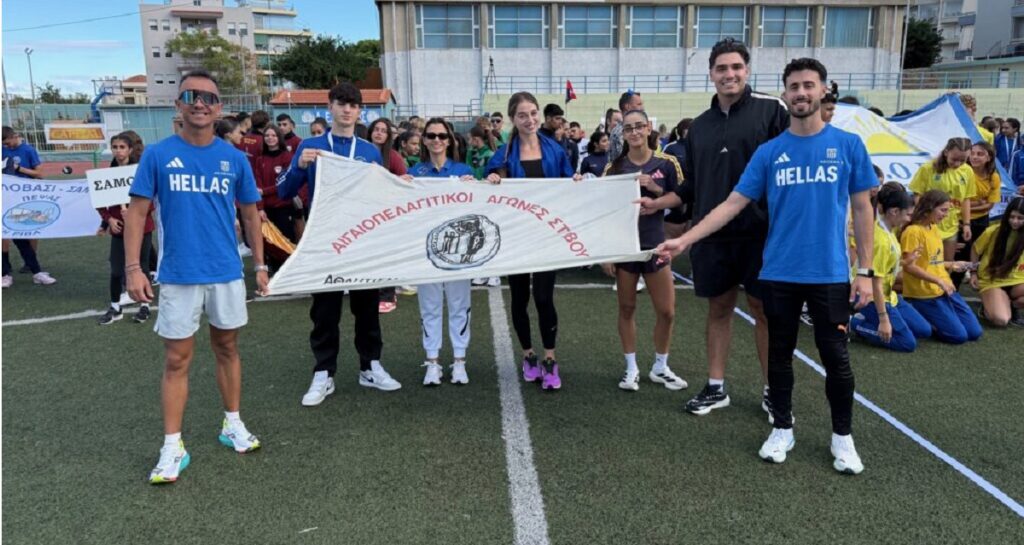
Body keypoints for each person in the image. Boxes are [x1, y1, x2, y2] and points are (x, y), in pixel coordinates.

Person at [654, 57, 877, 475]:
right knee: (779, 356)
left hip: (830, 273)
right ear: (785, 93)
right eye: (794, 86)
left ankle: (842, 438)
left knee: (836, 359)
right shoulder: (770, 152)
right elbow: (732, 204)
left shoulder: (848, 145)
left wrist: (866, 272)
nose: (801, 93)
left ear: (823, 90)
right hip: (778, 271)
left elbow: (864, 208)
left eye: (809, 85)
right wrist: (684, 239)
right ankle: (782, 428)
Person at [123, 69, 267, 484]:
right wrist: (133, 268)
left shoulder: (234, 159)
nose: (200, 103)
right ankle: (173, 445)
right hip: (179, 273)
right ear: (178, 104)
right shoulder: (157, 155)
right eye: (191, 96)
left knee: (228, 348)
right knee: (176, 359)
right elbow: (137, 213)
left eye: (208, 97)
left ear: (219, 108)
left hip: (225, 271)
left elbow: (251, 216)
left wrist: (259, 266)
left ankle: (232, 423)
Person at [636, 38, 788, 419]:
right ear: (711, 74)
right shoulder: (699, 127)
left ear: (747, 70)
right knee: (719, 309)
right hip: (713, 235)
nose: (729, 74)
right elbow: (692, 186)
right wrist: (659, 201)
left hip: (762, 234)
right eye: (721, 68)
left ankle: (774, 391)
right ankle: (716, 387)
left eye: (736, 67)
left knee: (763, 311)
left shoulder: (772, 111)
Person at [278, 82, 400, 405]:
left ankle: (370, 366)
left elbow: (382, 197)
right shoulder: (311, 146)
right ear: (329, 107)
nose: (347, 110)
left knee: (367, 308)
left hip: (361, 240)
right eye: (341, 103)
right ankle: (324, 372)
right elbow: (283, 191)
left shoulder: (369, 151)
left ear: (360, 111)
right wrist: (299, 166)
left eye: (353, 105)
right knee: (325, 311)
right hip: (325, 241)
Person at [486, 91, 578, 390]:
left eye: (533, 113)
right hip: (515, 238)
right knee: (520, 298)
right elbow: (490, 185)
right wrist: (493, 179)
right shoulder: (504, 154)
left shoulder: (555, 150)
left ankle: (550, 358)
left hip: (546, 236)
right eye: (523, 115)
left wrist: (576, 182)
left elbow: (568, 184)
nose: (530, 120)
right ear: (513, 119)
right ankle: (528, 355)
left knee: (543, 297)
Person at [603, 110, 686, 392]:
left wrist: (655, 189)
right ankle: (631, 368)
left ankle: (660, 366)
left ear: (649, 128)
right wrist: (608, 253)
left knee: (667, 311)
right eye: (628, 128)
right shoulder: (615, 168)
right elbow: (602, 209)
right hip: (626, 249)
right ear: (623, 134)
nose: (635, 132)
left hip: (655, 245)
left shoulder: (667, 162)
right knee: (627, 308)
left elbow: (680, 198)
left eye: (639, 126)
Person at [404, 117, 477, 385]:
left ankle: (459, 361)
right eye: (432, 136)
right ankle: (432, 362)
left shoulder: (463, 170)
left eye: (442, 136)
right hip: (426, 251)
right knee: (430, 307)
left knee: (460, 305)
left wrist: (477, 185)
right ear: (424, 140)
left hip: (458, 251)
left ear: (450, 141)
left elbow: (477, 205)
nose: (437, 140)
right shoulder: (415, 172)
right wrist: (400, 186)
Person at [850, 183, 932, 351]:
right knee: (906, 343)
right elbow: (875, 283)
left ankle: (873, 318)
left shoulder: (889, 229)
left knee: (923, 330)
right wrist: (883, 318)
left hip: (888, 295)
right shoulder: (880, 240)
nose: (909, 219)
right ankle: (854, 323)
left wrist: (905, 262)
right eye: (908, 214)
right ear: (894, 211)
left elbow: (884, 266)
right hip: (871, 297)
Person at [900, 190, 983, 344]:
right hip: (925, 294)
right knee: (958, 337)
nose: (946, 215)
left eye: (948, 210)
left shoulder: (933, 228)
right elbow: (909, 267)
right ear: (929, 208)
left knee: (974, 332)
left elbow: (933, 262)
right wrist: (938, 280)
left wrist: (952, 264)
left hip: (945, 289)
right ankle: (917, 312)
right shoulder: (913, 232)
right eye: (943, 210)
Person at [97, 132, 155, 325]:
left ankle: (145, 305)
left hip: (142, 229)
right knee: (116, 270)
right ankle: (115, 307)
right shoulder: (108, 174)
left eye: (122, 147)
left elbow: (151, 203)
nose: (118, 151)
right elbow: (100, 202)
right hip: (119, 230)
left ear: (130, 149)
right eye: (115, 147)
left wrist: (133, 213)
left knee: (143, 267)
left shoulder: (140, 172)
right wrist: (109, 220)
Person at [2, 126, 56, 288]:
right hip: (5, 197)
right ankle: (5, 273)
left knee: (24, 233)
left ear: (14, 136)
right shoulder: (2, 150)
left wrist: (19, 169)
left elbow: (40, 174)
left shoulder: (28, 150)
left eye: (7, 143)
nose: (6, 146)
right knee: (4, 235)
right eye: (3, 144)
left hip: (24, 198)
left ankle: (35, 270)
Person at [909, 137, 976, 262]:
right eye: (954, 159)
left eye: (963, 160)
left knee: (947, 263)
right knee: (927, 261)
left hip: (951, 226)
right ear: (946, 153)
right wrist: (925, 216)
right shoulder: (928, 168)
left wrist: (967, 224)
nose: (957, 164)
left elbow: (966, 199)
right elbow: (917, 195)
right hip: (929, 224)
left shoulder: (968, 171)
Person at [367, 117, 408, 313]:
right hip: (364, 210)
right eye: (376, 129)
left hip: (387, 212)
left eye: (384, 131)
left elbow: (404, 180)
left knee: (385, 253)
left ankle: (387, 294)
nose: (379, 133)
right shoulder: (360, 153)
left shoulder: (393, 156)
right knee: (369, 253)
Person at [952, 142, 1004, 287]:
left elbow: (990, 204)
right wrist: (977, 204)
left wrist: (967, 205)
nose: (974, 157)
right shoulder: (961, 171)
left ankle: (974, 279)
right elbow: (955, 202)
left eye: (980, 154)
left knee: (978, 252)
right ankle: (954, 288)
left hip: (981, 221)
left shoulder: (993, 177)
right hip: (959, 221)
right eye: (973, 153)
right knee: (961, 254)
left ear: (989, 157)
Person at [971, 196, 1024, 326]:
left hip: (1018, 282)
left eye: (1020, 218)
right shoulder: (993, 231)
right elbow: (975, 250)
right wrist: (973, 272)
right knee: (1001, 320)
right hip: (992, 280)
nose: (1015, 221)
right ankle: (990, 306)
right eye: (1012, 217)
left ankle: (1012, 305)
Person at [255, 124, 297, 266]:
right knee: (270, 243)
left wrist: (265, 191)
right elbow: (257, 187)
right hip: (267, 210)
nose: (270, 138)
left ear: (279, 138)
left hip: (283, 207)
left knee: (286, 241)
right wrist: (260, 208)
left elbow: (285, 183)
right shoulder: (260, 160)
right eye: (267, 135)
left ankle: (289, 271)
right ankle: (274, 272)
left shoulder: (287, 157)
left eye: (273, 135)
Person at [540, 104, 579, 169]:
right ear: (548, 118)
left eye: (561, 118)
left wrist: (560, 141)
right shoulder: (537, 136)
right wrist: (557, 141)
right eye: (557, 118)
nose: (560, 122)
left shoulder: (563, 137)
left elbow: (566, 161)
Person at [608, 91, 644, 161]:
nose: (642, 108)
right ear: (628, 107)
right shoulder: (620, 132)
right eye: (639, 104)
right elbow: (626, 159)